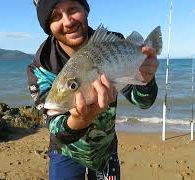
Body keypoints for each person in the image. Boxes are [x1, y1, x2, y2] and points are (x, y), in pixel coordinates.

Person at [27, 0, 159, 179]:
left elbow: (143, 102)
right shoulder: (41, 66)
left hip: (106, 151)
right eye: (55, 16)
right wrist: (80, 120)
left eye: (72, 9)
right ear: (48, 26)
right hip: (66, 153)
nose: (67, 22)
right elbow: (54, 126)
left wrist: (147, 79)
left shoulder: (116, 44)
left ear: (85, 10)